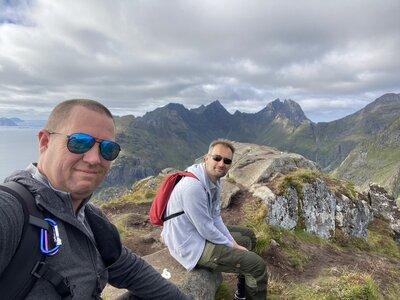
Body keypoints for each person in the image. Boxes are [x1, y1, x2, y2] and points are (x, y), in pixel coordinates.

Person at [0, 99, 191, 299]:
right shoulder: (11, 210)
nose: (94, 159)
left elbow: (132, 271)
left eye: (108, 149)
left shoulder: (91, 220)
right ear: (45, 142)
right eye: (79, 142)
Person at [161, 139, 268, 300]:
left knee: (248, 237)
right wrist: (232, 245)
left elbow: (215, 217)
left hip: (196, 233)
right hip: (189, 245)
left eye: (227, 161)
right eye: (217, 158)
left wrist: (233, 243)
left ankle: (242, 293)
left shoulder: (212, 180)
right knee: (257, 266)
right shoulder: (193, 187)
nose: (221, 163)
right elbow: (206, 228)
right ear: (206, 158)